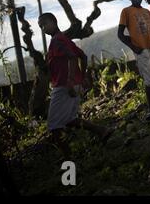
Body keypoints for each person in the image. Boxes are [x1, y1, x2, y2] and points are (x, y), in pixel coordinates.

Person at [38, 13, 113, 158]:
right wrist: (82, 76)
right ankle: (102, 130)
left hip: (64, 87)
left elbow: (73, 58)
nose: (43, 28)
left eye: (44, 24)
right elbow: (83, 56)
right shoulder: (65, 39)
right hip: (73, 85)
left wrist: (70, 81)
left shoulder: (57, 41)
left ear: (54, 21)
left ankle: (69, 161)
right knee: (70, 119)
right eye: (40, 26)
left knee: (54, 126)